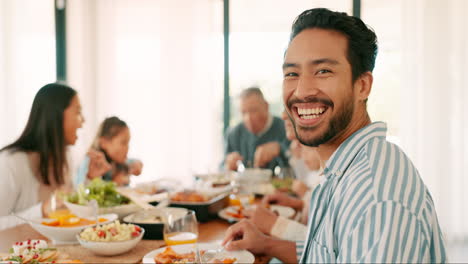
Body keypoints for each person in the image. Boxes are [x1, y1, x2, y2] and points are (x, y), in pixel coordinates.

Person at [222, 8, 447, 263]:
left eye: (323, 71)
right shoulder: (343, 169)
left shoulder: (377, 196)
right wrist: (266, 244)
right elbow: (328, 255)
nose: (302, 90)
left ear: (362, 86)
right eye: (292, 74)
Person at [0, 83, 84, 230]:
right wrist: (41, 211)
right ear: (56, 115)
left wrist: (89, 177)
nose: (82, 121)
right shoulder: (10, 162)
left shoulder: (65, 158)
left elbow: (70, 211)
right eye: (77, 112)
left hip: (57, 251)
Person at [224, 87, 289, 171]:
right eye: (244, 112)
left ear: (266, 106)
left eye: (253, 110)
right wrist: (228, 165)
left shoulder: (287, 129)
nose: (248, 118)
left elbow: (298, 167)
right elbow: (222, 167)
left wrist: (280, 149)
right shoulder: (234, 134)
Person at [75, 116, 143, 186]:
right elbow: (78, 189)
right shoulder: (90, 163)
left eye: (128, 142)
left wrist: (137, 164)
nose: (127, 148)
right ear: (103, 142)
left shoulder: (117, 161)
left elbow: (134, 163)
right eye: (123, 143)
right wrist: (114, 184)